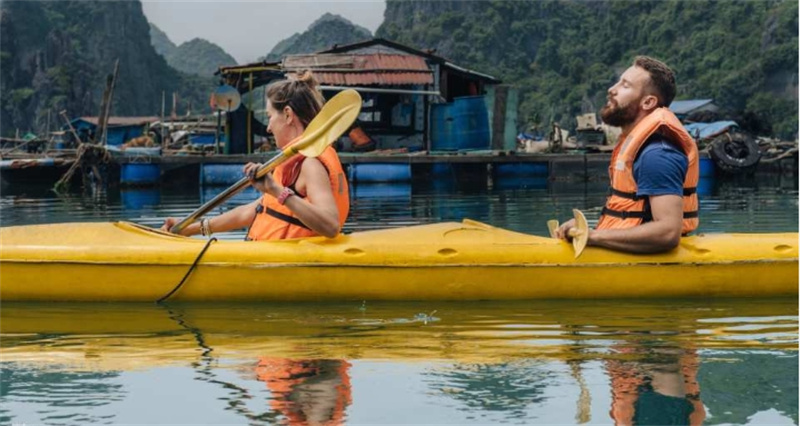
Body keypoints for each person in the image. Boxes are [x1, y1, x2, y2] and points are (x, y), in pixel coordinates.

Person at [161, 71, 349, 240]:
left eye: (269, 117)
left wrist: (276, 190)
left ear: (288, 115)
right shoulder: (293, 163)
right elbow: (253, 211)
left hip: (292, 265)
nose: (268, 127)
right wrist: (188, 229)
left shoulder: (310, 164)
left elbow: (330, 226)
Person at [555, 56, 699, 253]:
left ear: (648, 102)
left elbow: (667, 233)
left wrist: (592, 236)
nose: (612, 89)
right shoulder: (639, 147)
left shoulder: (657, 155)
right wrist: (584, 231)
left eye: (625, 86)